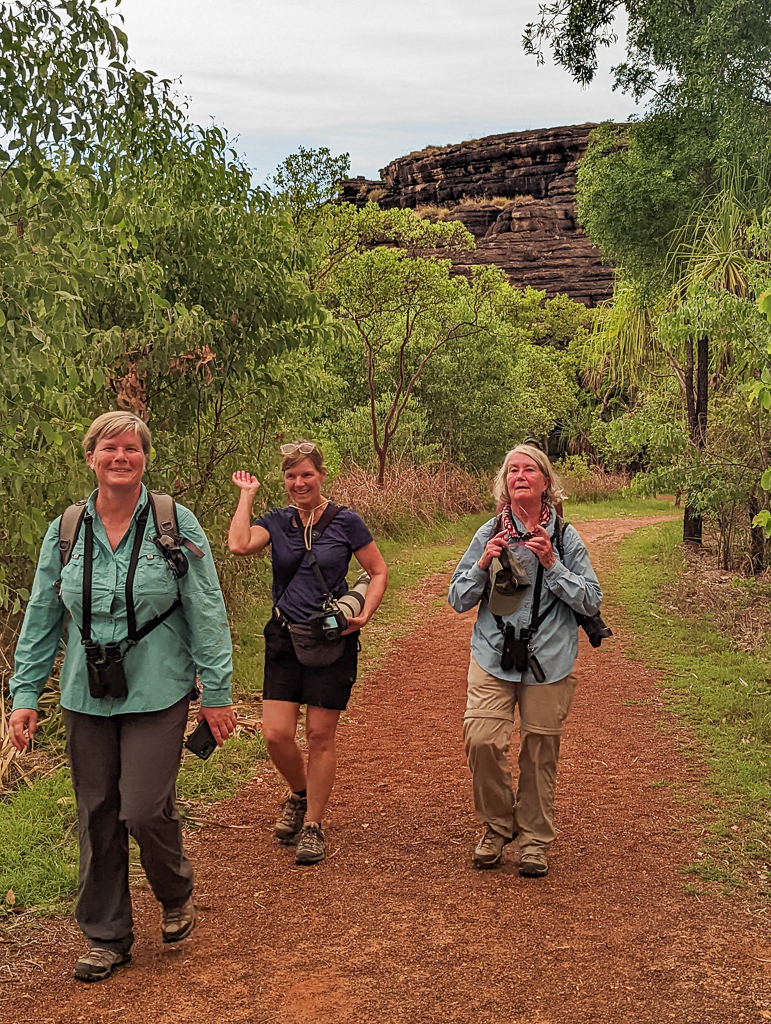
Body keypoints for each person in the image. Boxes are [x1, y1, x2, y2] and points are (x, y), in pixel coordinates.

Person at [8, 412, 236, 982]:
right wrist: (24, 694)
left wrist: (218, 691)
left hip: (159, 686)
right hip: (86, 691)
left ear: (144, 458)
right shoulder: (66, 530)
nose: (120, 457)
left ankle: (174, 888)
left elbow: (205, 608)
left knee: (140, 806)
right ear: (91, 458)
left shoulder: (173, 522)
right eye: (109, 448)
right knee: (97, 814)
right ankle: (106, 935)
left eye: (131, 448)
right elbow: (41, 617)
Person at [228, 440, 387, 866]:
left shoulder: (346, 521)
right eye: (291, 476)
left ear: (321, 475)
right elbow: (239, 544)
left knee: (319, 734)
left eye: (306, 475)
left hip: (331, 639)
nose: (299, 483)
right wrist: (247, 496)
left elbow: (377, 571)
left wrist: (365, 613)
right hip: (283, 636)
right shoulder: (277, 522)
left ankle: (314, 824)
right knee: (276, 734)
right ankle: (300, 793)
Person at [448, 443, 601, 877]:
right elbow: (457, 599)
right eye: (512, 470)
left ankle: (534, 840)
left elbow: (591, 599)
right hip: (493, 653)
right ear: (505, 482)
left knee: (539, 751)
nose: (520, 476)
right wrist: (482, 564)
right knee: (481, 739)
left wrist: (550, 562)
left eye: (529, 470)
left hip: (547, 659)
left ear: (545, 482)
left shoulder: (565, 538)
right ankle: (497, 825)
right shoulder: (489, 532)